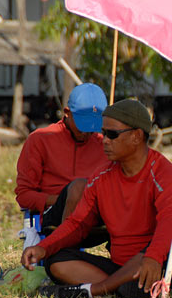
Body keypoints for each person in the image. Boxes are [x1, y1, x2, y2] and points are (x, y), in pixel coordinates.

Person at [21, 98, 172, 298]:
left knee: (165, 251)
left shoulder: (163, 173)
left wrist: (152, 257)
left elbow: (168, 226)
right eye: (103, 133)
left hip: (163, 262)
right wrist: (43, 248)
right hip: (122, 269)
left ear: (136, 136)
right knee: (57, 261)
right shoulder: (101, 177)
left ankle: (98, 289)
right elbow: (77, 224)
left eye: (112, 134)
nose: (104, 140)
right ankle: (119, 287)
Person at [14, 82, 110, 236]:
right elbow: (24, 196)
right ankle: (62, 245)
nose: (86, 133)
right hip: (54, 214)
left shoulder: (104, 144)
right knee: (78, 188)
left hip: (93, 214)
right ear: (67, 113)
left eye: (93, 126)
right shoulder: (40, 139)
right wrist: (63, 200)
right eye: (82, 125)